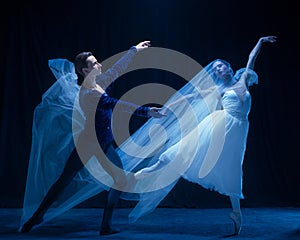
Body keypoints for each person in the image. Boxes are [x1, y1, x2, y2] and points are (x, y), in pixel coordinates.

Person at [120, 36, 277, 236]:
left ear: (229, 68)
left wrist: (261, 42)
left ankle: (237, 214)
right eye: (217, 68)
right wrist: (169, 107)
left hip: (239, 129)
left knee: (231, 167)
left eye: (222, 66)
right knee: (185, 148)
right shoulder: (217, 89)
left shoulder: (244, 78)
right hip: (219, 123)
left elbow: (251, 58)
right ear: (217, 74)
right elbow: (190, 96)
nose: (220, 69)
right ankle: (148, 171)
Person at [19, 40, 166, 236]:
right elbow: (116, 104)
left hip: (102, 142)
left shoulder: (98, 83)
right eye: (95, 63)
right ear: (85, 70)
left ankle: (104, 226)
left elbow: (116, 70)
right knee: (66, 181)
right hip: (90, 143)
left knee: (117, 180)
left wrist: (134, 50)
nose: (99, 64)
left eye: (97, 62)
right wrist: (146, 111)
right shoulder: (88, 92)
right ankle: (37, 217)